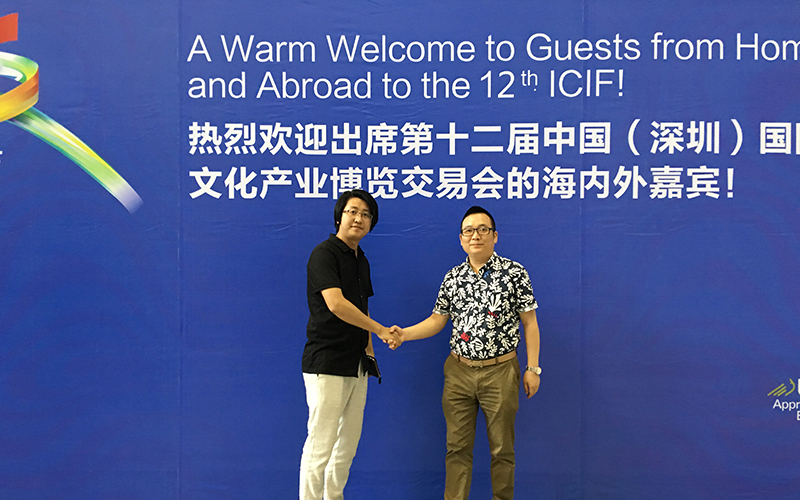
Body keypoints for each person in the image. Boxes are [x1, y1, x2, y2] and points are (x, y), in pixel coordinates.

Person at [390, 205, 541, 500]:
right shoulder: (453, 278)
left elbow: (530, 322)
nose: (476, 236)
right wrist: (404, 334)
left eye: (483, 229)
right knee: (456, 448)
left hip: (501, 371)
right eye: (469, 231)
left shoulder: (515, 273)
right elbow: (437, 320)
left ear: (495, 236)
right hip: (458, 372)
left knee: (502, 449)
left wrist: (532, 368)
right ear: (461, 239)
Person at [299, 189, 398, 500]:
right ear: (339, 216)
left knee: (347, 445)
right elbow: (336, 304)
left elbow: (362, 306)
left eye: (366, 215)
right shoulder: (324, 254)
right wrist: (380, 330)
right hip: (327, 362)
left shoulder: (361, 260)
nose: (359, 218)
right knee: (321, 445)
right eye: (353, 211)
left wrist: (370, 353)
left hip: (357, 365)